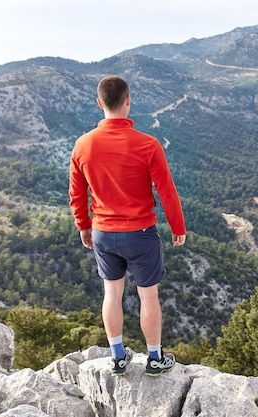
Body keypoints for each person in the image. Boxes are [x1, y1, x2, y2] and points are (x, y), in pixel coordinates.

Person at [69, 75, 186, 377]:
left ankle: (118, 357)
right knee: (148, 296)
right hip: (141, 233)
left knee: (112, 293)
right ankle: (155, 359)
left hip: (103, 233)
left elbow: (77, 193)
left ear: (99, 103)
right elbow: (167, 191)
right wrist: (177, 227)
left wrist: (84, 226)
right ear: (128, 100)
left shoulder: (83, 145)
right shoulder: (148, 145)